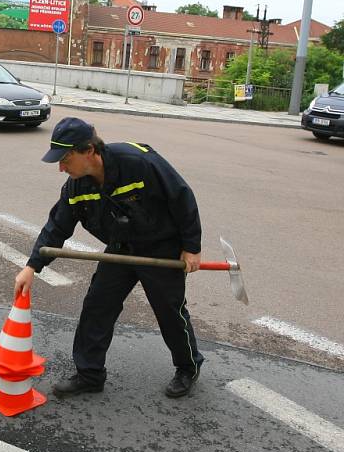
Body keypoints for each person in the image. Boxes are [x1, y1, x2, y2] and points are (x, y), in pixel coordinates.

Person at [14, 117, 204, 398]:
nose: (61, 167)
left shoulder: (138, 162)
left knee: (169, 310)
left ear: (89, 151)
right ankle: (89, 374)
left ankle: (188, 367)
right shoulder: (76, 186)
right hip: (121, 247)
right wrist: (32, 266)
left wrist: (191, 246)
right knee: (97, 305)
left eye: (66, 158)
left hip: (160, 246)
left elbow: (181, 197)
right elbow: (58, 225)